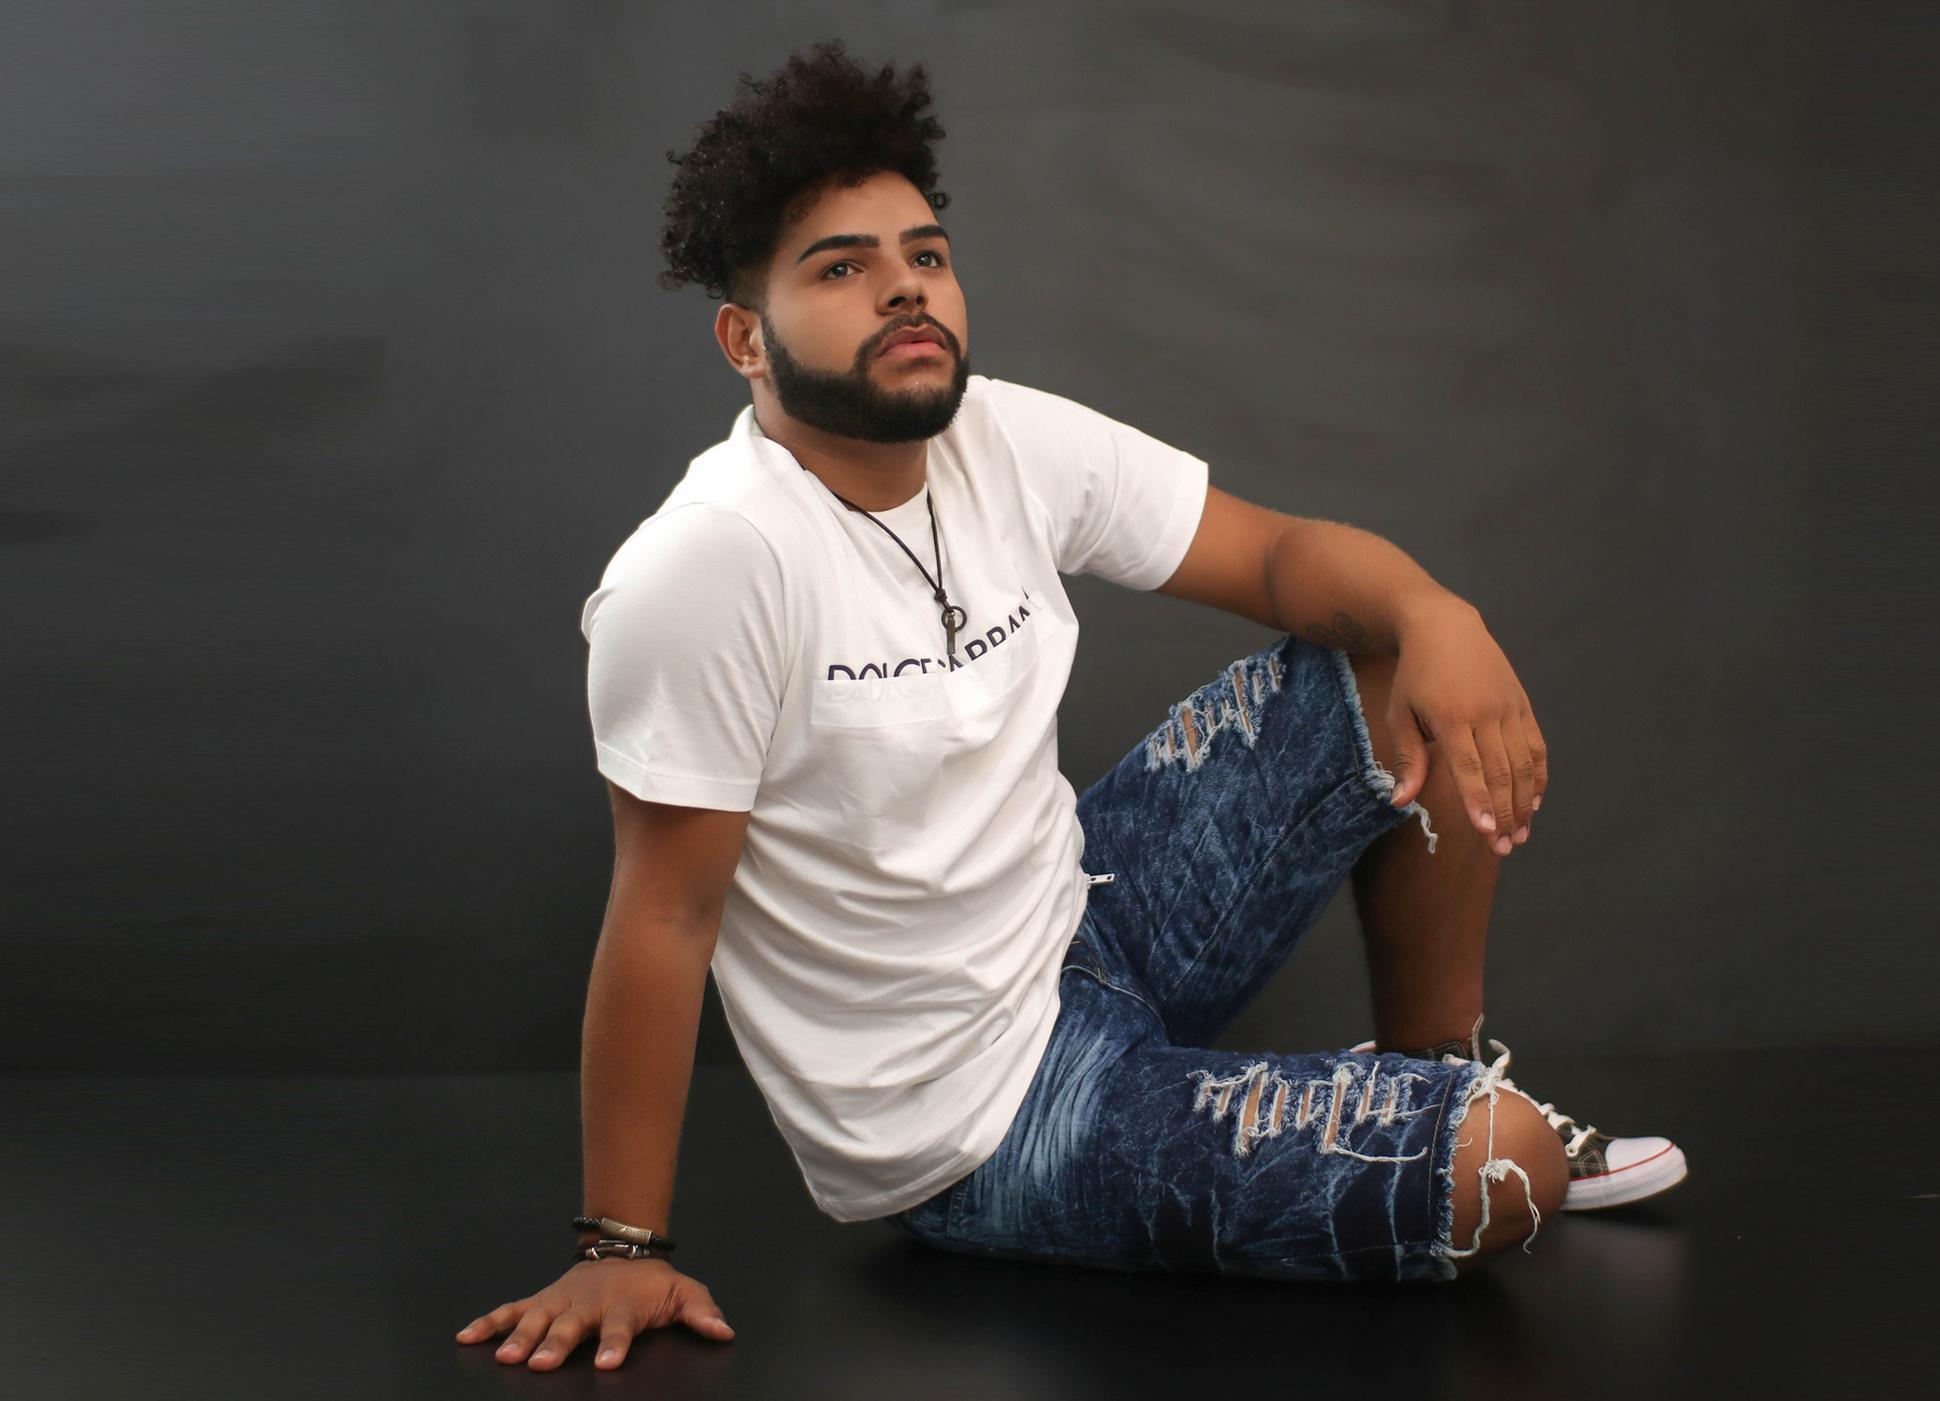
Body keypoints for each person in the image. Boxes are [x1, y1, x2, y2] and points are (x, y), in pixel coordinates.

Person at [455, 39, 1688, 1374]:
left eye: (925, 255)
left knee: (1393, 657)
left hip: (1087, 927)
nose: (905, 287)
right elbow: (663, 915)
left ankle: (1435, 1072)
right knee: (1505, 1173)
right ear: (744, 338)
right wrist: (620, 1246)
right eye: (842, 268)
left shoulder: (997, 436)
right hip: (980, 1120)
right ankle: (1447, 1125)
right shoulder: (707, 568)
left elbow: (1278, 557)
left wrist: (1443, 613)